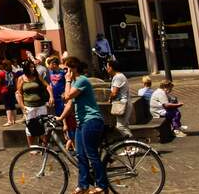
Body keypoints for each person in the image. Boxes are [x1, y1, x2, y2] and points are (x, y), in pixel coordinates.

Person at [61, 55, 109, 194]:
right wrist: (60, 118)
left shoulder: (81, 80)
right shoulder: (75, 82)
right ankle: (83, 186)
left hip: (91, 120)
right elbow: (69, 103)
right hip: (81, 123)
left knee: (91, 154)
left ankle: (102, 185)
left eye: (67, 69)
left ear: (73, 68)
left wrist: (68, 81)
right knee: (80, 155)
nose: (65, 72)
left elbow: (68, 95)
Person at [16, 61, 51, 147]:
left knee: (44, 125)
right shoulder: (21, 78)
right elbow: (19, 93)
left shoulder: (37, 76)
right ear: (26, 69)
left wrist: (51, 96)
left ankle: (44, 145)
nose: (32, 69)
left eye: (33, 67)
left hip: (41, 105)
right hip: (29, 106)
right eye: (30, 67)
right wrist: (22, 106)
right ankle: (32, 146)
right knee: (30, 126)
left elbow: (47, 86)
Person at [105, 59, 132, 140]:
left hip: (122, 104)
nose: (106, 69)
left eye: (107, 67)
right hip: (124, 103)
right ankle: (129, 148)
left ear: (111, 68)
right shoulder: (120, 76)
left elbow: (114, 92)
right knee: (125, 125)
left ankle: (133, 142)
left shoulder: (118, 77)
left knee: (120, 126)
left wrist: (109, 99)